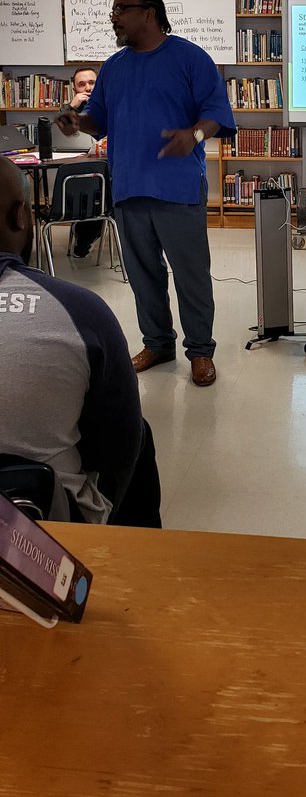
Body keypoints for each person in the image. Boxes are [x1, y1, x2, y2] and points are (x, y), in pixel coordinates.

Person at [56, 0, 236, 387]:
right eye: (113, 10)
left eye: (122, 9)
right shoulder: (115, 66)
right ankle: (157, 343)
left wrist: (195, 135)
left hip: (177, 187)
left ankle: (201, 351)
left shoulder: (189, 58)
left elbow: (217, 114)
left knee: (191, 275)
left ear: (149, 13)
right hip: (129, 187)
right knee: (142, 275)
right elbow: (98, 119)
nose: (114, 17)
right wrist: (76, 122)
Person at [0, 156, 161, 526]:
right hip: (45, 533)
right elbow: (118, 442)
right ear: (20, 217)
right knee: (139, 434)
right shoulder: (80, 311)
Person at [61, 67, 102, 258]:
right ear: (75, 88)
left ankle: (87, 236)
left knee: (98, 185)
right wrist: (71, 106)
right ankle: (84, 235)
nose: (88, 88)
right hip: (76, 170)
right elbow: (58, 138)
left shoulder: (108, 105)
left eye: (92, 83)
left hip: (104, 169)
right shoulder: (69, 109)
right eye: (82, 84)